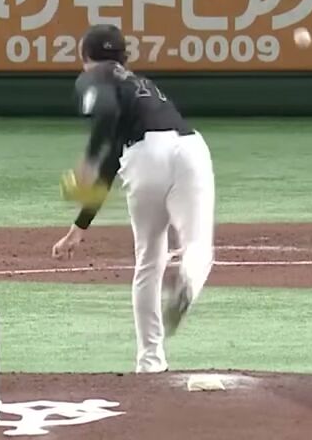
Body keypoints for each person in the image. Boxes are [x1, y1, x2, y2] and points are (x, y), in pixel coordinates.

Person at [51, 24, 216, 373]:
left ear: (85, 56)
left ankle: (151, 361)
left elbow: (108, 123)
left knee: (149, 261)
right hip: (191, 148)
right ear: (123, 56)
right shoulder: (143, 84)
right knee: (197, 246)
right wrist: (80, 225)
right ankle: (187, 282)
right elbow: (113, 158)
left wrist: (88, 160)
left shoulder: (92, 78)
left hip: (144, 156)